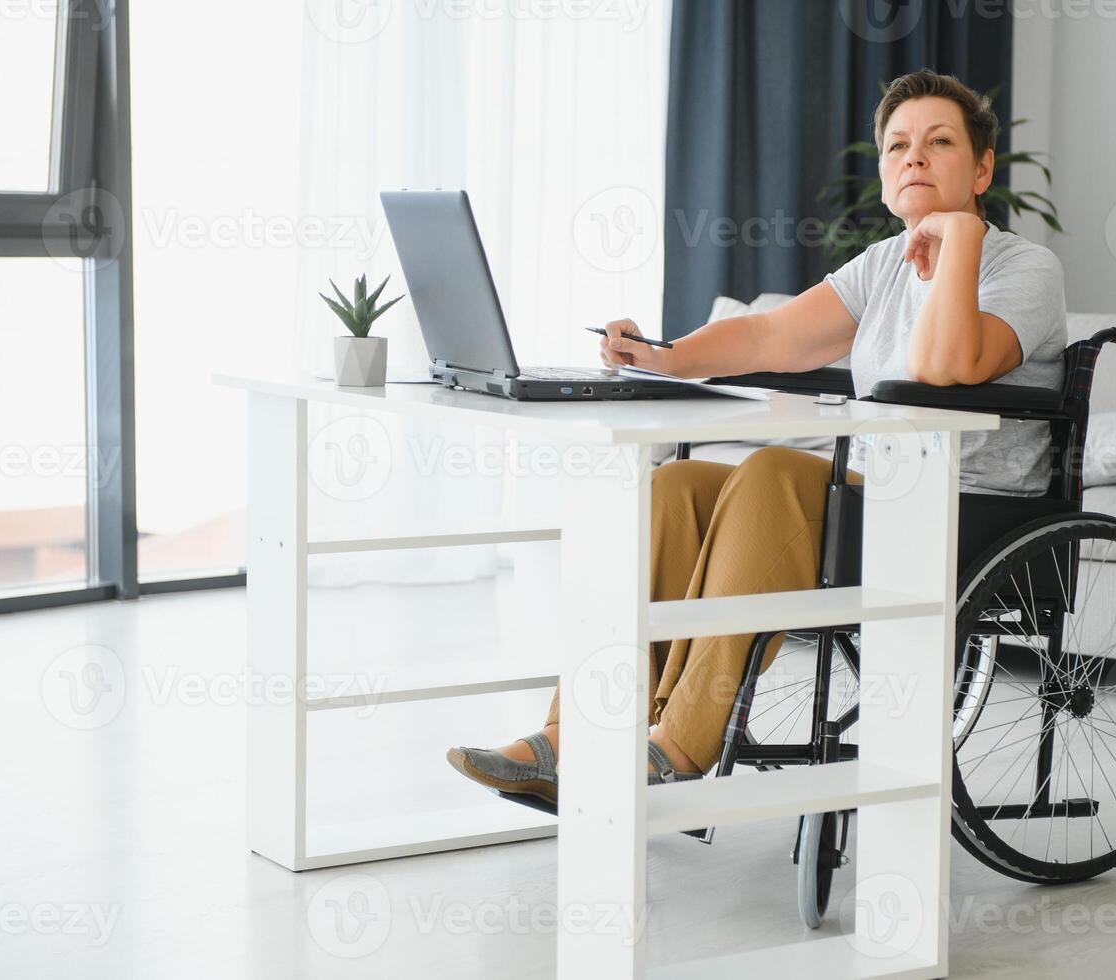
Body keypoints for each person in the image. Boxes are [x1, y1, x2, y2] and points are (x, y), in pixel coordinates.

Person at [446, 67, 1068, 807]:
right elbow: (773, 334)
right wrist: (665, 354)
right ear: (881, 171)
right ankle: (571, 734)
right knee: (675, 485)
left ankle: (676, 744)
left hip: (967, 510)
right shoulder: (883, 266)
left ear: (982, 167)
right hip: (882, 496)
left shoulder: (1025, 267)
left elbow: (945, 365)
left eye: (938, 143)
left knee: (775, 473)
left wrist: (959, 237)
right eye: (898, 145)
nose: (914, 158)